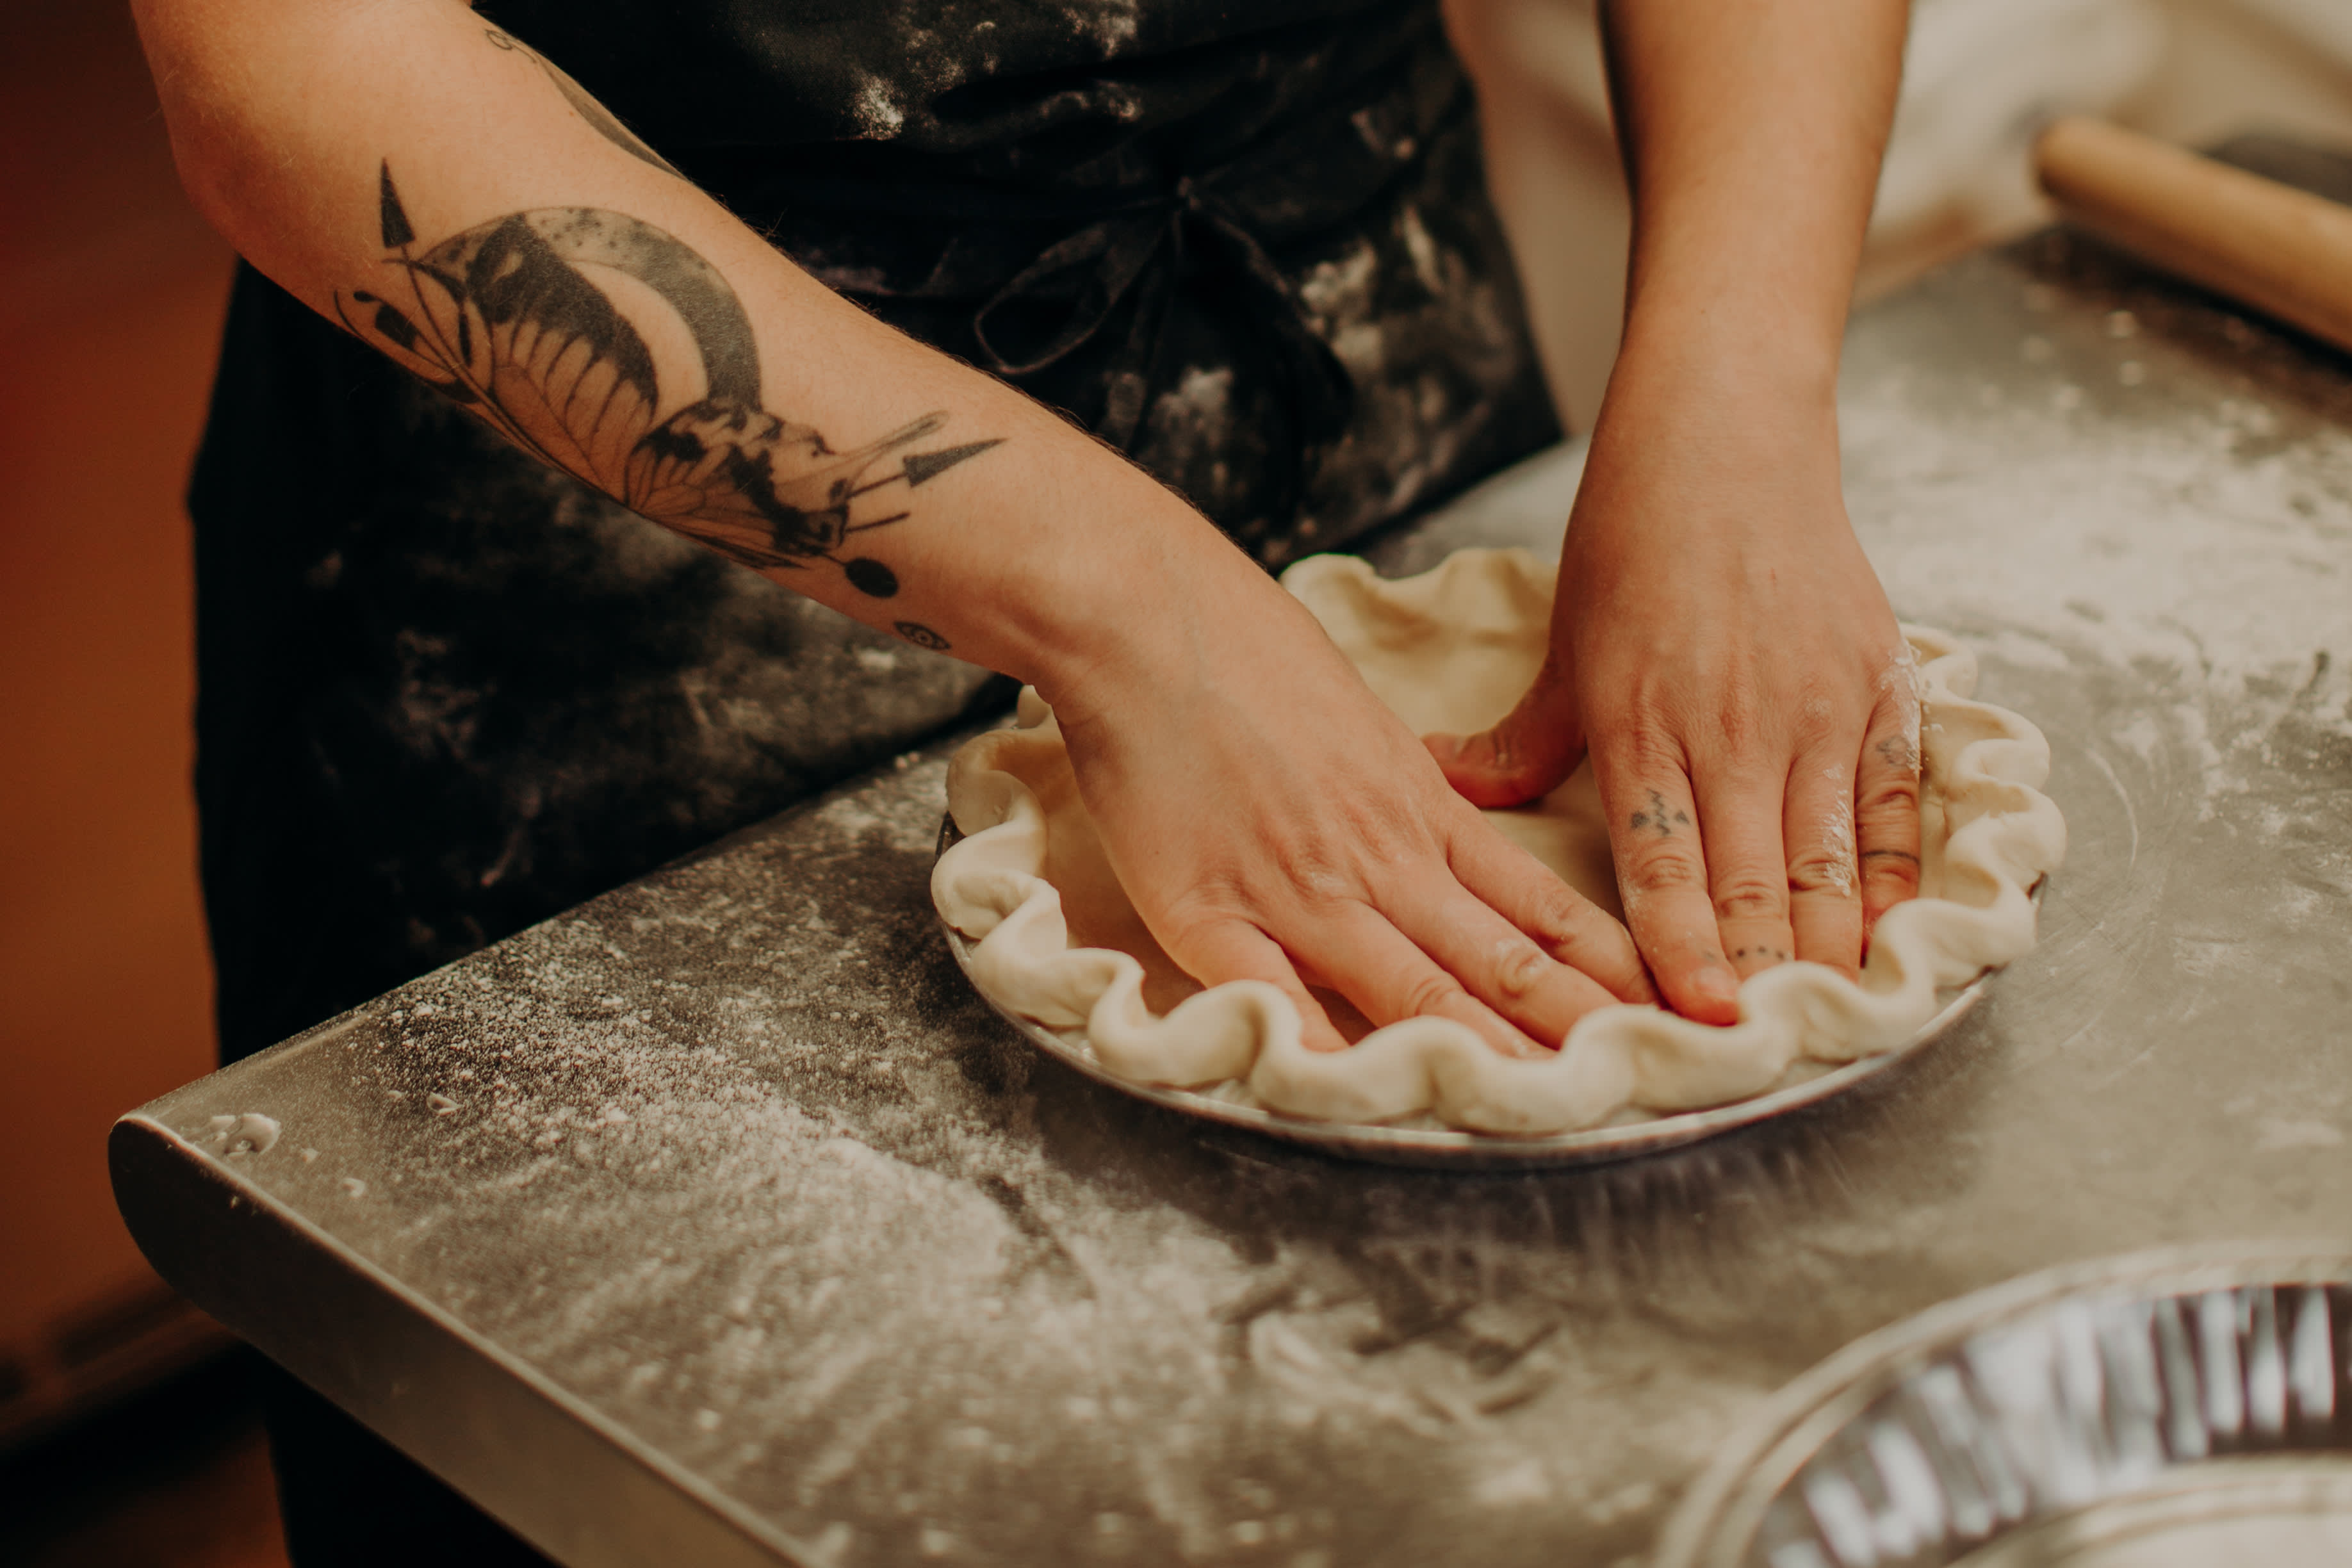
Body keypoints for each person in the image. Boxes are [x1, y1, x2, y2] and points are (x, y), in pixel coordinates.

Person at [135, 0, 1920, 1560]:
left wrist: (1738, 381)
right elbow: (292, 49)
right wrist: (1124, 602)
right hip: (590, 629)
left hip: (1377, 370)